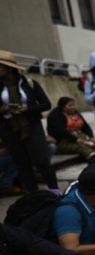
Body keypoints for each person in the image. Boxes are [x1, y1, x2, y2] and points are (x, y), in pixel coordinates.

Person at [0, 50, 59, 193]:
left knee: (41, 160)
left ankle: (54, 192)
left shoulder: (30, 83)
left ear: (8, 68)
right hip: (9, 128)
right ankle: (33, 195)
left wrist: (27, 109)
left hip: (31, 125)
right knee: (22, 163)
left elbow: (46, 104)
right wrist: (4, 109)